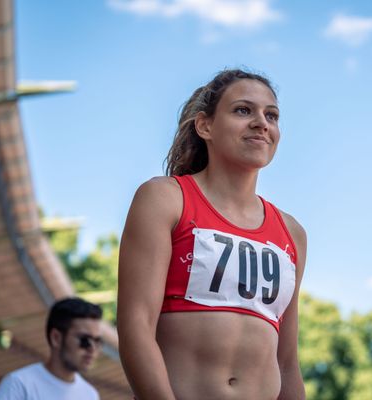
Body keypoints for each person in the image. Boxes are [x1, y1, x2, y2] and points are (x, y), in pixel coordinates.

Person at [118, 69, 307, 400]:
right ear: (205, 126)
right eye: (243, 110)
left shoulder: (292, 232)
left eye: (271, 115)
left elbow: (287, 362)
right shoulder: (165, 198)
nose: (262, 122)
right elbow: (136, 325)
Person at [0, 297, 103, 400]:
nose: (92, 349)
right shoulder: (19, 385)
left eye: (97, 341)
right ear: (56, 338)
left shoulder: (90, 395)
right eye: (85, 340)